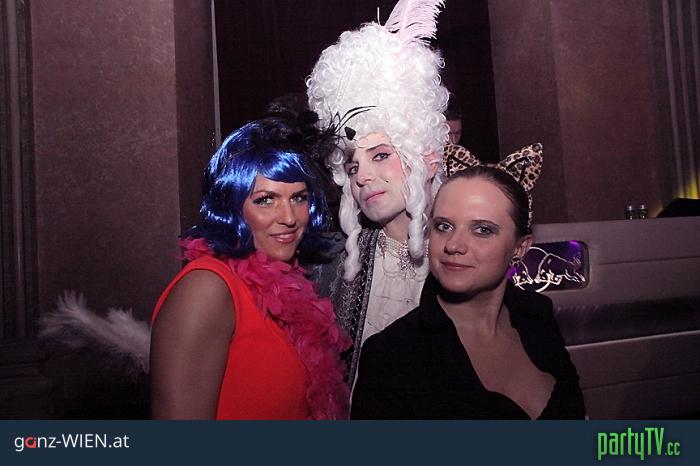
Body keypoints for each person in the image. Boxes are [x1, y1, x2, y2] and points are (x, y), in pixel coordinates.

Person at [351, 145, 587, 419]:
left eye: (482, 230)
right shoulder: (391, 356)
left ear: (520, 247)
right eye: (443, 226)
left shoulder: (537, 315)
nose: (454, 245)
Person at [149, 116, 351, 419]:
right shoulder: (207, 288)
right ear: (233, 207)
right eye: (266, 200)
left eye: (298, 198)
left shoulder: (293, 284)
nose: (289, 218)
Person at [306, 0, 449, 383]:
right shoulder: (327, 270)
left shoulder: (465, 258)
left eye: (381, 155)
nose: (363, 177)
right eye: (352, 166)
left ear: (426, 158)